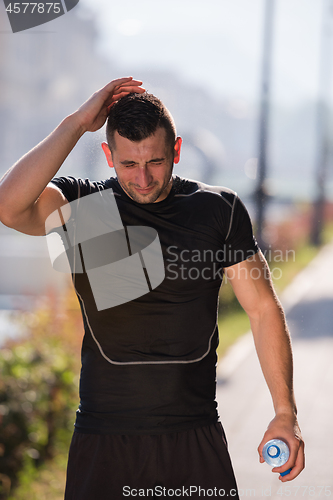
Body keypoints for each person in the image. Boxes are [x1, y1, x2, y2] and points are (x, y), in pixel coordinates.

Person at [0, 77, 305, 499]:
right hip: (104, 438)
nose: (143, 179)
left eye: (156, 162)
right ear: (108, 156)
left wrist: (285, 413)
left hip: (193, 434)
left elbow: (262, 310)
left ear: (176, 151)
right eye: (129, 164)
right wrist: (74, 124)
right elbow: (10, 207)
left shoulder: (217, 209)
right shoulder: (83, 208)